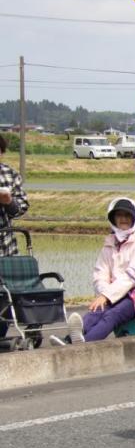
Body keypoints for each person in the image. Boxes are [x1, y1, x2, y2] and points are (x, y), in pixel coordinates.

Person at [64, 197, 135, 344]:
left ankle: (83, 344)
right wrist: (104, 294)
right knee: (97, 311)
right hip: (115, 294)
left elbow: (132, 277)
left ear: (134, 219)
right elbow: (100, 274)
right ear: (113, 219)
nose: (123, 219)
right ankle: (67, 341)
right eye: (119, 215)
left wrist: (107, 296)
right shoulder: (109, 244)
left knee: (112, 315)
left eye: (127, 216)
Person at [0, 134, 30, 341]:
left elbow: (21, 208)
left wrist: (8, 202)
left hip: (5, 247)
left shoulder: (9, 174)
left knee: (5, 296)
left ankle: (2, 335)